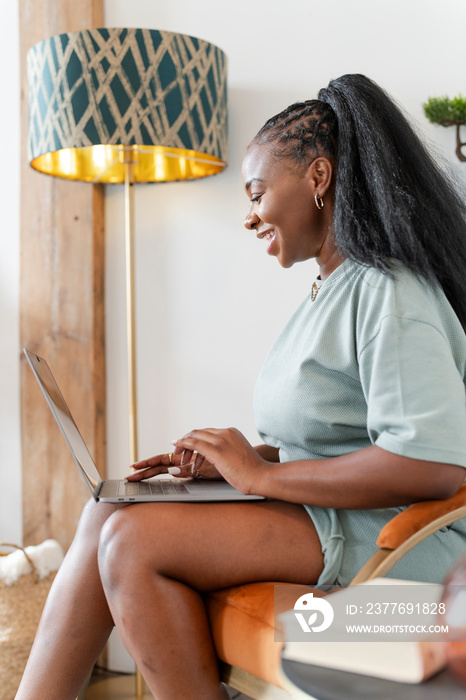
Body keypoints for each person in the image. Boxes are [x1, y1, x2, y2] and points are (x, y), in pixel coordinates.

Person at [15, 74, 466, 700]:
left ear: (318, 177)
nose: (250, 215)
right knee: (108, 513)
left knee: (131, 542)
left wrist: (262, 479)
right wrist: (242, 460)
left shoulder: (389, 290)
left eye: (257, 192)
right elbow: (338, 438)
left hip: (394, 533)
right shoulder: (327, 291)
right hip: (329, 516)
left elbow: (429, 463)